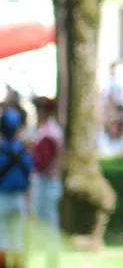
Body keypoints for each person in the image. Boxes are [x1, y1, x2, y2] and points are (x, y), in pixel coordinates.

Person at [30, 97, 63, 268]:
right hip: (47, 182)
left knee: (48, 224)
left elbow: (40, 161)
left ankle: (52, 261)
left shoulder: (49, 133)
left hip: (47, 183)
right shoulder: (47, 130)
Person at [0, 109, 31, 268]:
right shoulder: (23, 151)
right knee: (17, 239)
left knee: (2, 240)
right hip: (18, 200)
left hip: (2, 199)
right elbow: (28, 175)